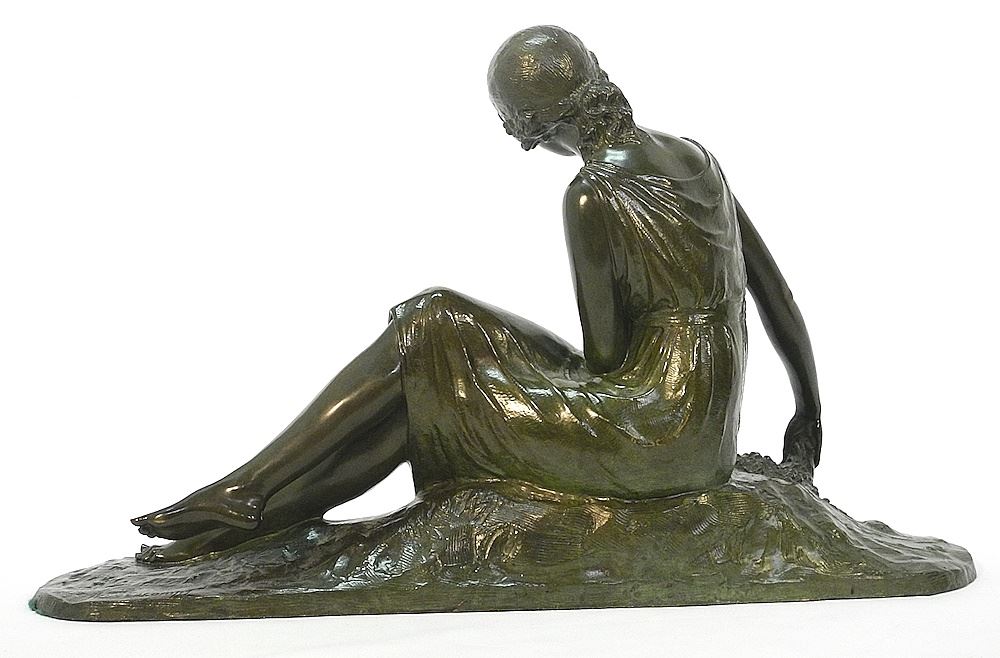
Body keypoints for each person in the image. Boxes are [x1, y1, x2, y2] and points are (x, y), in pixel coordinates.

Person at [131, 26, 822, 562]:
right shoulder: (699, 158)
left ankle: (252, 498)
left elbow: (606, 362)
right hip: (703, 430)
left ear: (536, 130)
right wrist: (807, 412)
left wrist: (492, 354)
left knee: (432, 345)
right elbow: (776, 295)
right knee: (436, 330)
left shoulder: (593, 194)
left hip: (652, 433)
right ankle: (246, 513)